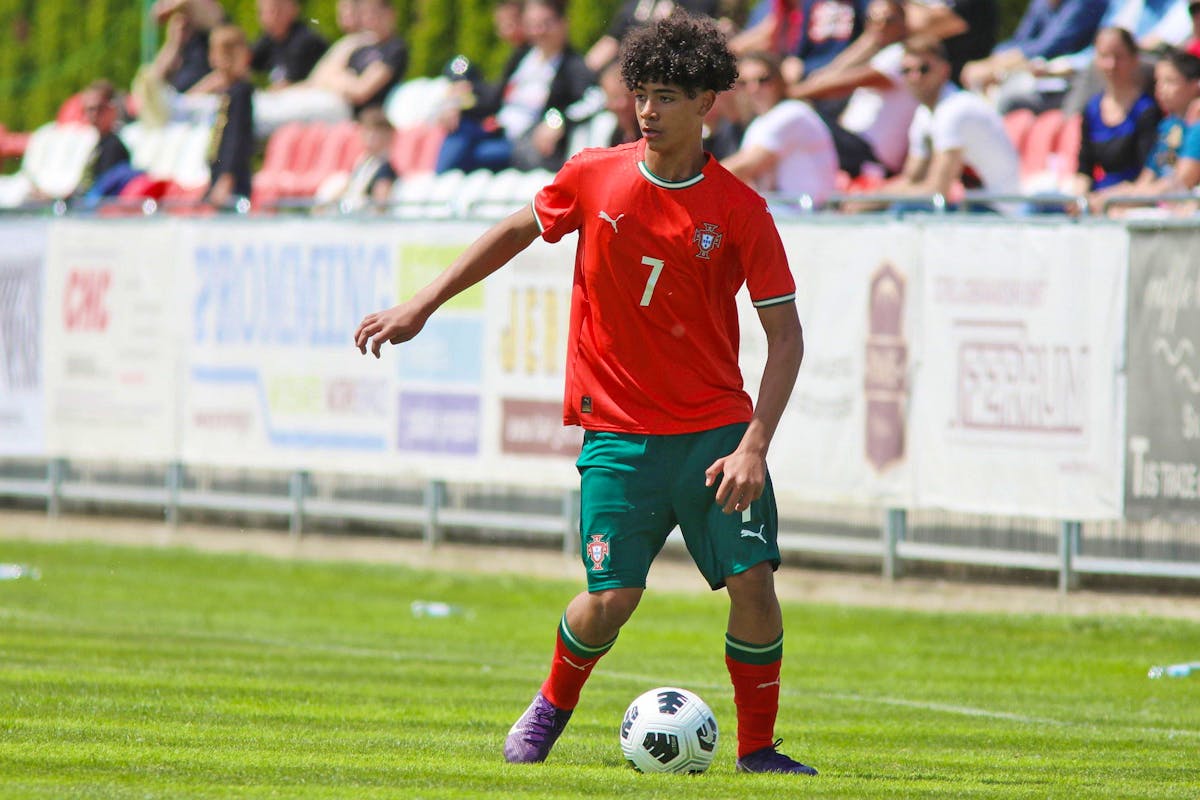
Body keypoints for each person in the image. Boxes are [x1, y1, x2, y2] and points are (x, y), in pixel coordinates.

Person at [354, 11, 813, 775]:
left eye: (667, 96)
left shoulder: (740, 209)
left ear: (707, 103)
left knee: (755, 585)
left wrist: (754, 446)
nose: (647, 110)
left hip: (715, 434)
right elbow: (515, 229)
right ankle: (547, 709)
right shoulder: (595, 174)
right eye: (641, 93)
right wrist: (423, 304)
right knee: (610, 600)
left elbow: (786, 338)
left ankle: (758, 750)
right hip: (620, 436)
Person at [435, 0, 596, 173]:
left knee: (466, 154)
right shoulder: (523, 57)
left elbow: (592, 100)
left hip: (524, 144)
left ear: (563, 23)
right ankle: (436, 181)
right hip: (498, 131)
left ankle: (436, 183)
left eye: (546, 24)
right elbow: (495, 97)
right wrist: (459, 102)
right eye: (533, 25)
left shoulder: (572, 66)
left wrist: (556, 121)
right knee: (460, 131)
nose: (539, 31)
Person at [863, 35, 1020, 210]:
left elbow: (936, 191)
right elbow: (912, 178)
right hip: (974, 207)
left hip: (1000, 210)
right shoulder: (924, 114)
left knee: (905, 209)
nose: (915, 77)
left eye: (924, 69)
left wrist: (871, 202)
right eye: (906, 71)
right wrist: (863, 201)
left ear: (944, 70)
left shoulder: (955, 110)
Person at [789, 0, 919, 177]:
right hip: (855, 145)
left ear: (903, 23)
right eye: (873, 20)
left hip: (869, 154)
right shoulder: (883, 53)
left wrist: (789, 94)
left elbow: (840, 85)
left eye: (889, 20)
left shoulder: (901, 55)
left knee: (797, 113)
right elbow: (832, 74)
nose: (881, 26)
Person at [1089, 47, 1200, 212]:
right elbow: (1146, 179)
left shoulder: (1196, 128)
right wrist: (1110, 196)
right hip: (1157, 203)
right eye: (1158, 81)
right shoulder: (1168, 126)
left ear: (1195, 85)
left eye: (1170, 81)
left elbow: (1182, 183)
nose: (1161, 89)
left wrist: (1119, 200)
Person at [722, 51, 839, 205]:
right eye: (744, 83)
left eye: (763, 80)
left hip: (806, 214)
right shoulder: (759, 122)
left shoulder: (792, 112)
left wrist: (695, 179)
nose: (754, 88)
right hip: (784, 212)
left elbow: (741, 167)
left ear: (779, 82)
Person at [959, 0, 1106, 112]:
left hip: (1068, 83)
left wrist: (993, 67)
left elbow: (1050, 47)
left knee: (1007, 101)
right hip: (1033, 75)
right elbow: (1018, 40)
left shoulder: (1085, 3)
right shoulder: (1040, 3)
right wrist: (990, 64)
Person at [1069, 27, 1162, 199]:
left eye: (1119, 57)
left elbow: (1149, 173)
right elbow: (1084, 168)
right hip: (1099, 196)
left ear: (1134, 58)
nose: (1111, 65)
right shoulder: (1092, 109)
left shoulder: (1147, 110)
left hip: (1131, 198)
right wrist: (1080, 197)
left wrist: (1106, 198)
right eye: (1104, 56)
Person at [585, 0, 723, 72]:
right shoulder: (636, 4)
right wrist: (585, 72)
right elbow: (611, 40)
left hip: (669, 72)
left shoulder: (696, 3)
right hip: (626, 73)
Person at [204, 24, 255, 207]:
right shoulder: (226, 94)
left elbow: (237, 137)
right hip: (219, 173)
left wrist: (227, 178)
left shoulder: (241, 93)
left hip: (232, 179)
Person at [317, 106, 398, 211]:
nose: (370, 136)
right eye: (367, 131)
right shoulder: (363, 161)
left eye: (375, 132)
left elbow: (381, 202)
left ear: (387, 136)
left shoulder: (385, 167)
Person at [73, 80, 140, 205]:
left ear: (112, 109)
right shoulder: (99, 144)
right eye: (88, 110)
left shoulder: (114, 147)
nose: (93, 114)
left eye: (99, 109)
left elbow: (105, 190)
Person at [250, 0, 329, 89]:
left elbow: (288, 86)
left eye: (274, 10)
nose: (268, 18)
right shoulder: (269, 40)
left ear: (293, 9)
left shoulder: (307, 42)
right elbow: (247, 61)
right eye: (262, 12)